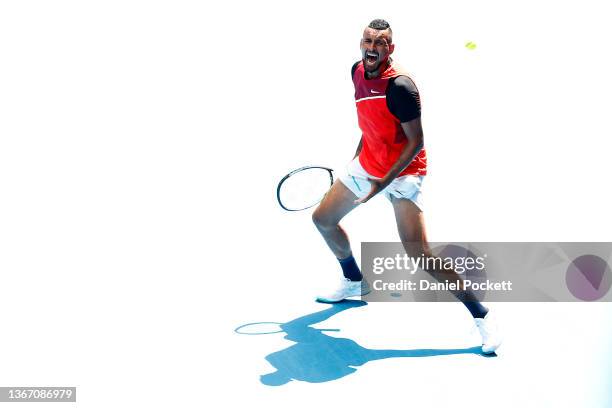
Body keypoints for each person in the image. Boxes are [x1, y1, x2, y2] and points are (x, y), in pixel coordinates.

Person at [312, 19, 502, 354]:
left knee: (420, 253)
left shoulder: (400, 86)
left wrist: (381, 184)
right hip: (368, 164)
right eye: (368, 41)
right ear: (361, 43)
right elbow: (371, 121)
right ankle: (354, 280)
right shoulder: (356, 71)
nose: (372, 47)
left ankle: (482, 317)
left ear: (390, 48)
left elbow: (416, 141)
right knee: (323, 220)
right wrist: (358, 160)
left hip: (403, 174)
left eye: (380, 43)